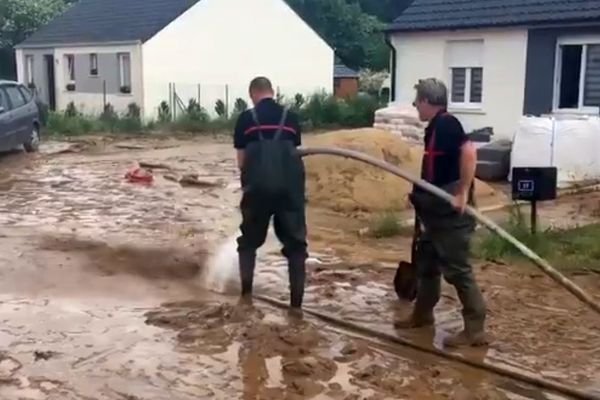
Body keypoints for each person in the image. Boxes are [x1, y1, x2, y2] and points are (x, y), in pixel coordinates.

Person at [395, 78, 487, 347]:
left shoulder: (447, 124)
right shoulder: (435, 127)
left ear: (426, 101)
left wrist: (462, 192)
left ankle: (475, 329)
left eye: (417, 102)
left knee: (458, 270)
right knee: (427, 265)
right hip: (434, 212)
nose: (415, 107)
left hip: (451, 216)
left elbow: (469, 152)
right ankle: (422, 316)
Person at [233, 77, 308, 312]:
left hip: (257, 191)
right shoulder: (291, 118)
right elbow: (293, 153)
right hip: (289, 191)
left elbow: (241, 161)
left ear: (252, 94)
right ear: (272, 92)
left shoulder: (246, 119)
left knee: (248, 243)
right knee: (296, 247)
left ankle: (246, 296)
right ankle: (296, 306)